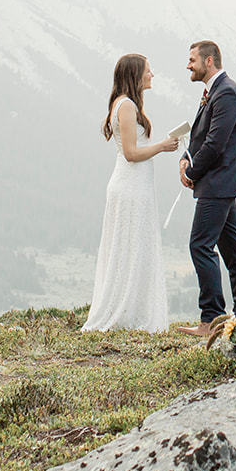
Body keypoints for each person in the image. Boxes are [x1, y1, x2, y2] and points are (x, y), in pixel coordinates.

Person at [81, 53, 179, 332]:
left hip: (139, 187)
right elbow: (131, 153)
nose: (152, 75)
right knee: (128, 247)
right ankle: (122, 311)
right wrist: (162, 146)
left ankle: (133, 309)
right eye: (148, 71)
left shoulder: (129, 105)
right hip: (130, 188)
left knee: (136, 248)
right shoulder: (125, 106)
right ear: (135, 75)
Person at [176, 40, 236, 338]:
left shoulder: (227, 94)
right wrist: (186, 157)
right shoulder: (215, 93)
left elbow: (216, 144)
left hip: (218, 182)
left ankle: (211, 318)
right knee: (232, 249)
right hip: (221, 182)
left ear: (209, 61)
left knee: (200, 245)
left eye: (192, 59)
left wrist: (192, 172)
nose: (188, 65)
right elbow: (201, 137)